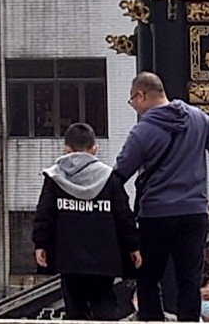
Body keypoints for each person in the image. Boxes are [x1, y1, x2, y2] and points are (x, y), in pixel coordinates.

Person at [112, 72, 209, 322]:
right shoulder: (200, 119)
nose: (134, 106)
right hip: (194, 212)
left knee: (148, 276)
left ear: (141, 95)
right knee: (189, 278)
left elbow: (121, 172)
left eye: (132, 101)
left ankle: (153, 321)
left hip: (156, 214)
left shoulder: (142, 131)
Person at [32, 121, 140, 320]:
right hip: (104, 258)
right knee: (105, 303)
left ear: (66, 149)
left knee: (75, 308)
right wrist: (133, 247)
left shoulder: (54, 178)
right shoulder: (110, 178)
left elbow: (44, 214)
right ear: (94, 149)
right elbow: (124, 217)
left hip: (69, 257)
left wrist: (41, 244)